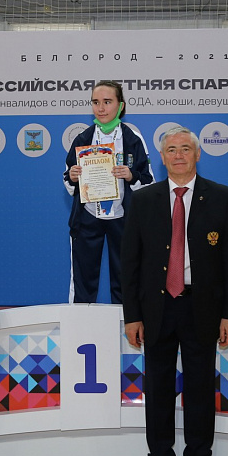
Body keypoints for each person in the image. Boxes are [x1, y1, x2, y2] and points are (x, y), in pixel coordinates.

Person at [121, 126, 228, 456]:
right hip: (156, 308)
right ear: (162, 157)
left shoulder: (222, 197)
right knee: (157, 389)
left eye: (185, 149)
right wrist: (132, 315)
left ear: (197, 154)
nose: (178, 155)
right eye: (171, 149)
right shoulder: (143, 200)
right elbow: (130, 263)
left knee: (200, 388)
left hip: (201, 308)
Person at [64, 80, 153, 304]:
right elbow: (67, 179)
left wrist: (131, 176)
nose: (101, 108)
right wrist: (73, 177)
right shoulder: (83, 138)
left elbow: (149, 181)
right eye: (96, 102)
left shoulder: (133, 139)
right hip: (88, 217)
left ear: (120, 106)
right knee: (83, 279)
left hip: (123, 218)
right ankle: (81, 321)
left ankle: (127, 323)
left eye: (107, 102)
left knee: (126, 277)